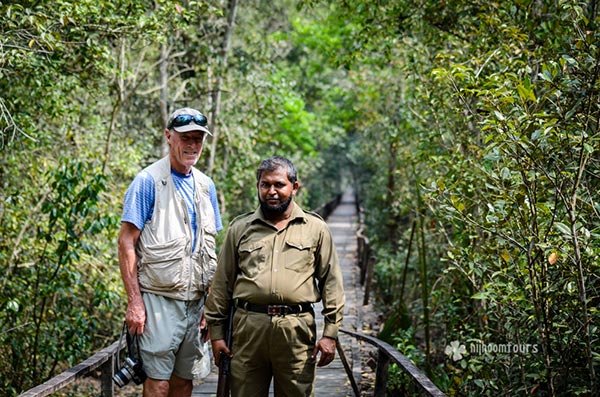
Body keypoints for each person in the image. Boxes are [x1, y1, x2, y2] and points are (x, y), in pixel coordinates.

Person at [205, 156, 345, 397]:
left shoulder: (315, 228)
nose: (272, 191)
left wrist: (330, 334)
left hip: (296, 330)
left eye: (279, 184)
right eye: (265, 184)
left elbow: (331, 282)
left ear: (294, 186)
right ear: (258, 186)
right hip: (248, 329)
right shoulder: (240, 228)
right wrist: (216, 335)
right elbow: (221, 284)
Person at [117, 107, 222, 397]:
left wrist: (210, 303)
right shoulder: (147, 181)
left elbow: (210, 245)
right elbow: (126, 242)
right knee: (158, 381)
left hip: (196, 301)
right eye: (185, 137)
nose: (192, 145)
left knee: (185, 380)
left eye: (198, 139)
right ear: (168, 136)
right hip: (158, 300)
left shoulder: (206, 185)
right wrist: (135, 303)